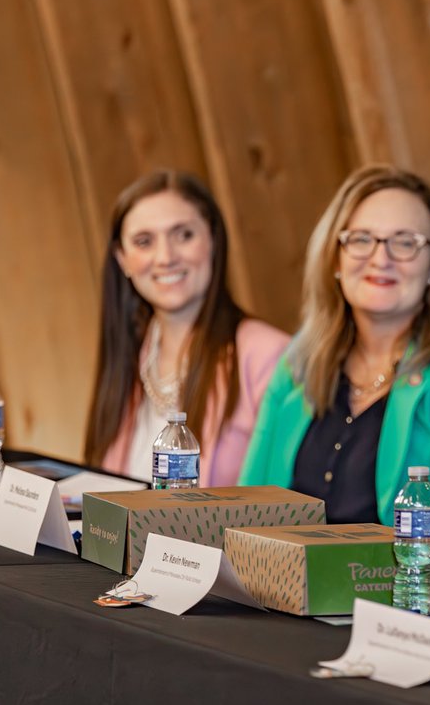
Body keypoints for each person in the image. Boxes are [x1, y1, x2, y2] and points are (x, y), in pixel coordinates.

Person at [239, 165, 430, 561]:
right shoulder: (299, 361)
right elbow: (248, 509)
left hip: (403, 606)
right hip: (280, 595)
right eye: (362, 239)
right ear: (335, 259)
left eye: (405, 243)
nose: (380, 258)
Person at [85, 169, 289, 486]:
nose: (165, 257)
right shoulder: (131, 355)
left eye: (184, 235)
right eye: (144, 242)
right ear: (122, 259)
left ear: (213, 241)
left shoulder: (268, 355)